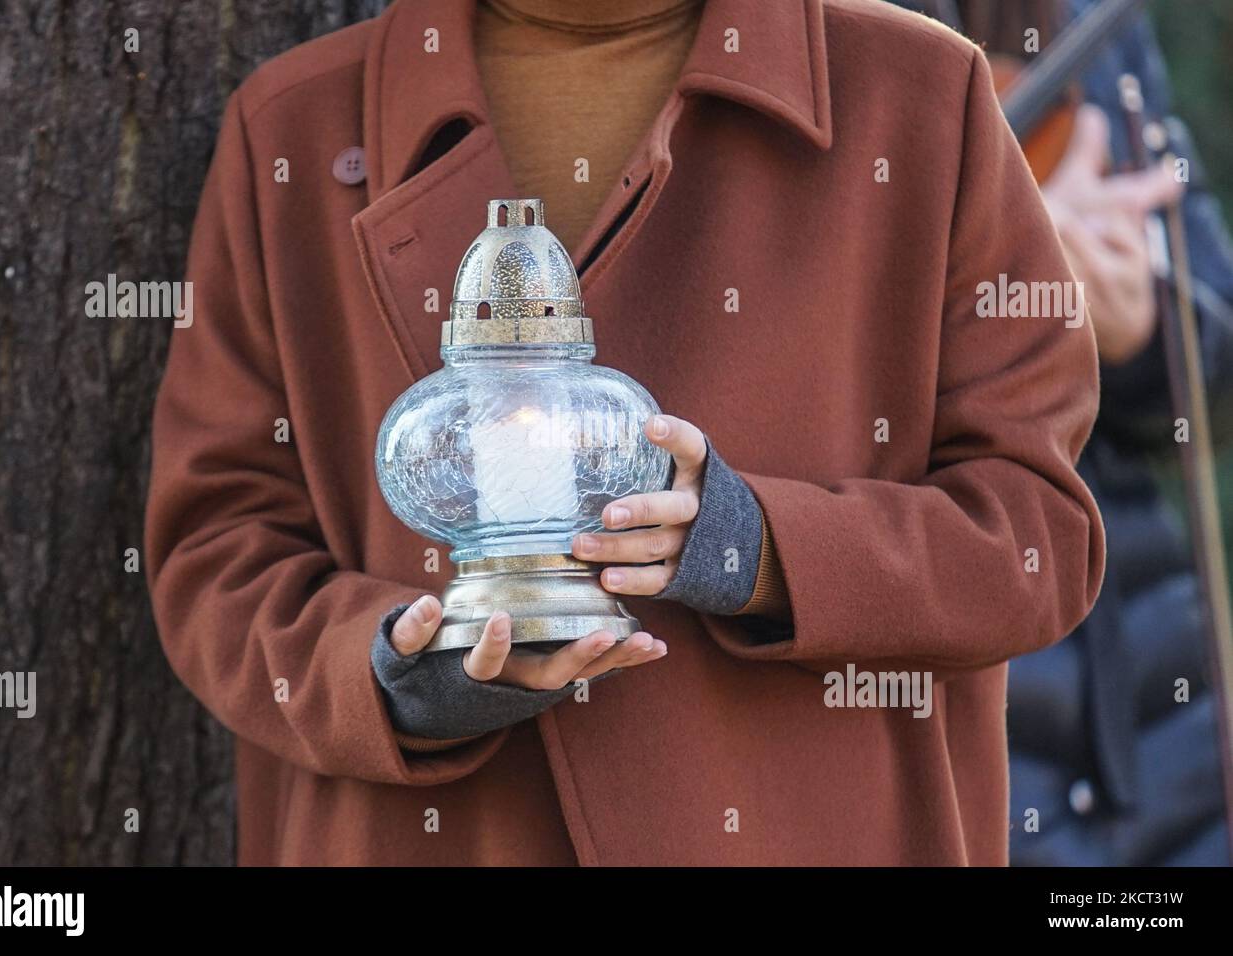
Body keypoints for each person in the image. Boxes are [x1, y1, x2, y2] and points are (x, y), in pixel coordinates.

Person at [145, 0, 1105, 865]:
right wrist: (393, 678)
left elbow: (1038, 534)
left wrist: (760, 548)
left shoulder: (919, 94)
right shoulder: (295, 124)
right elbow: (215, 551)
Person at [911, 0, 1233, 865]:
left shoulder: (1096, 21)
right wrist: (1003, 269)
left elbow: (1216, 355)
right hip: (951, 677)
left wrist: (1132, 324)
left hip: (1153, 691)